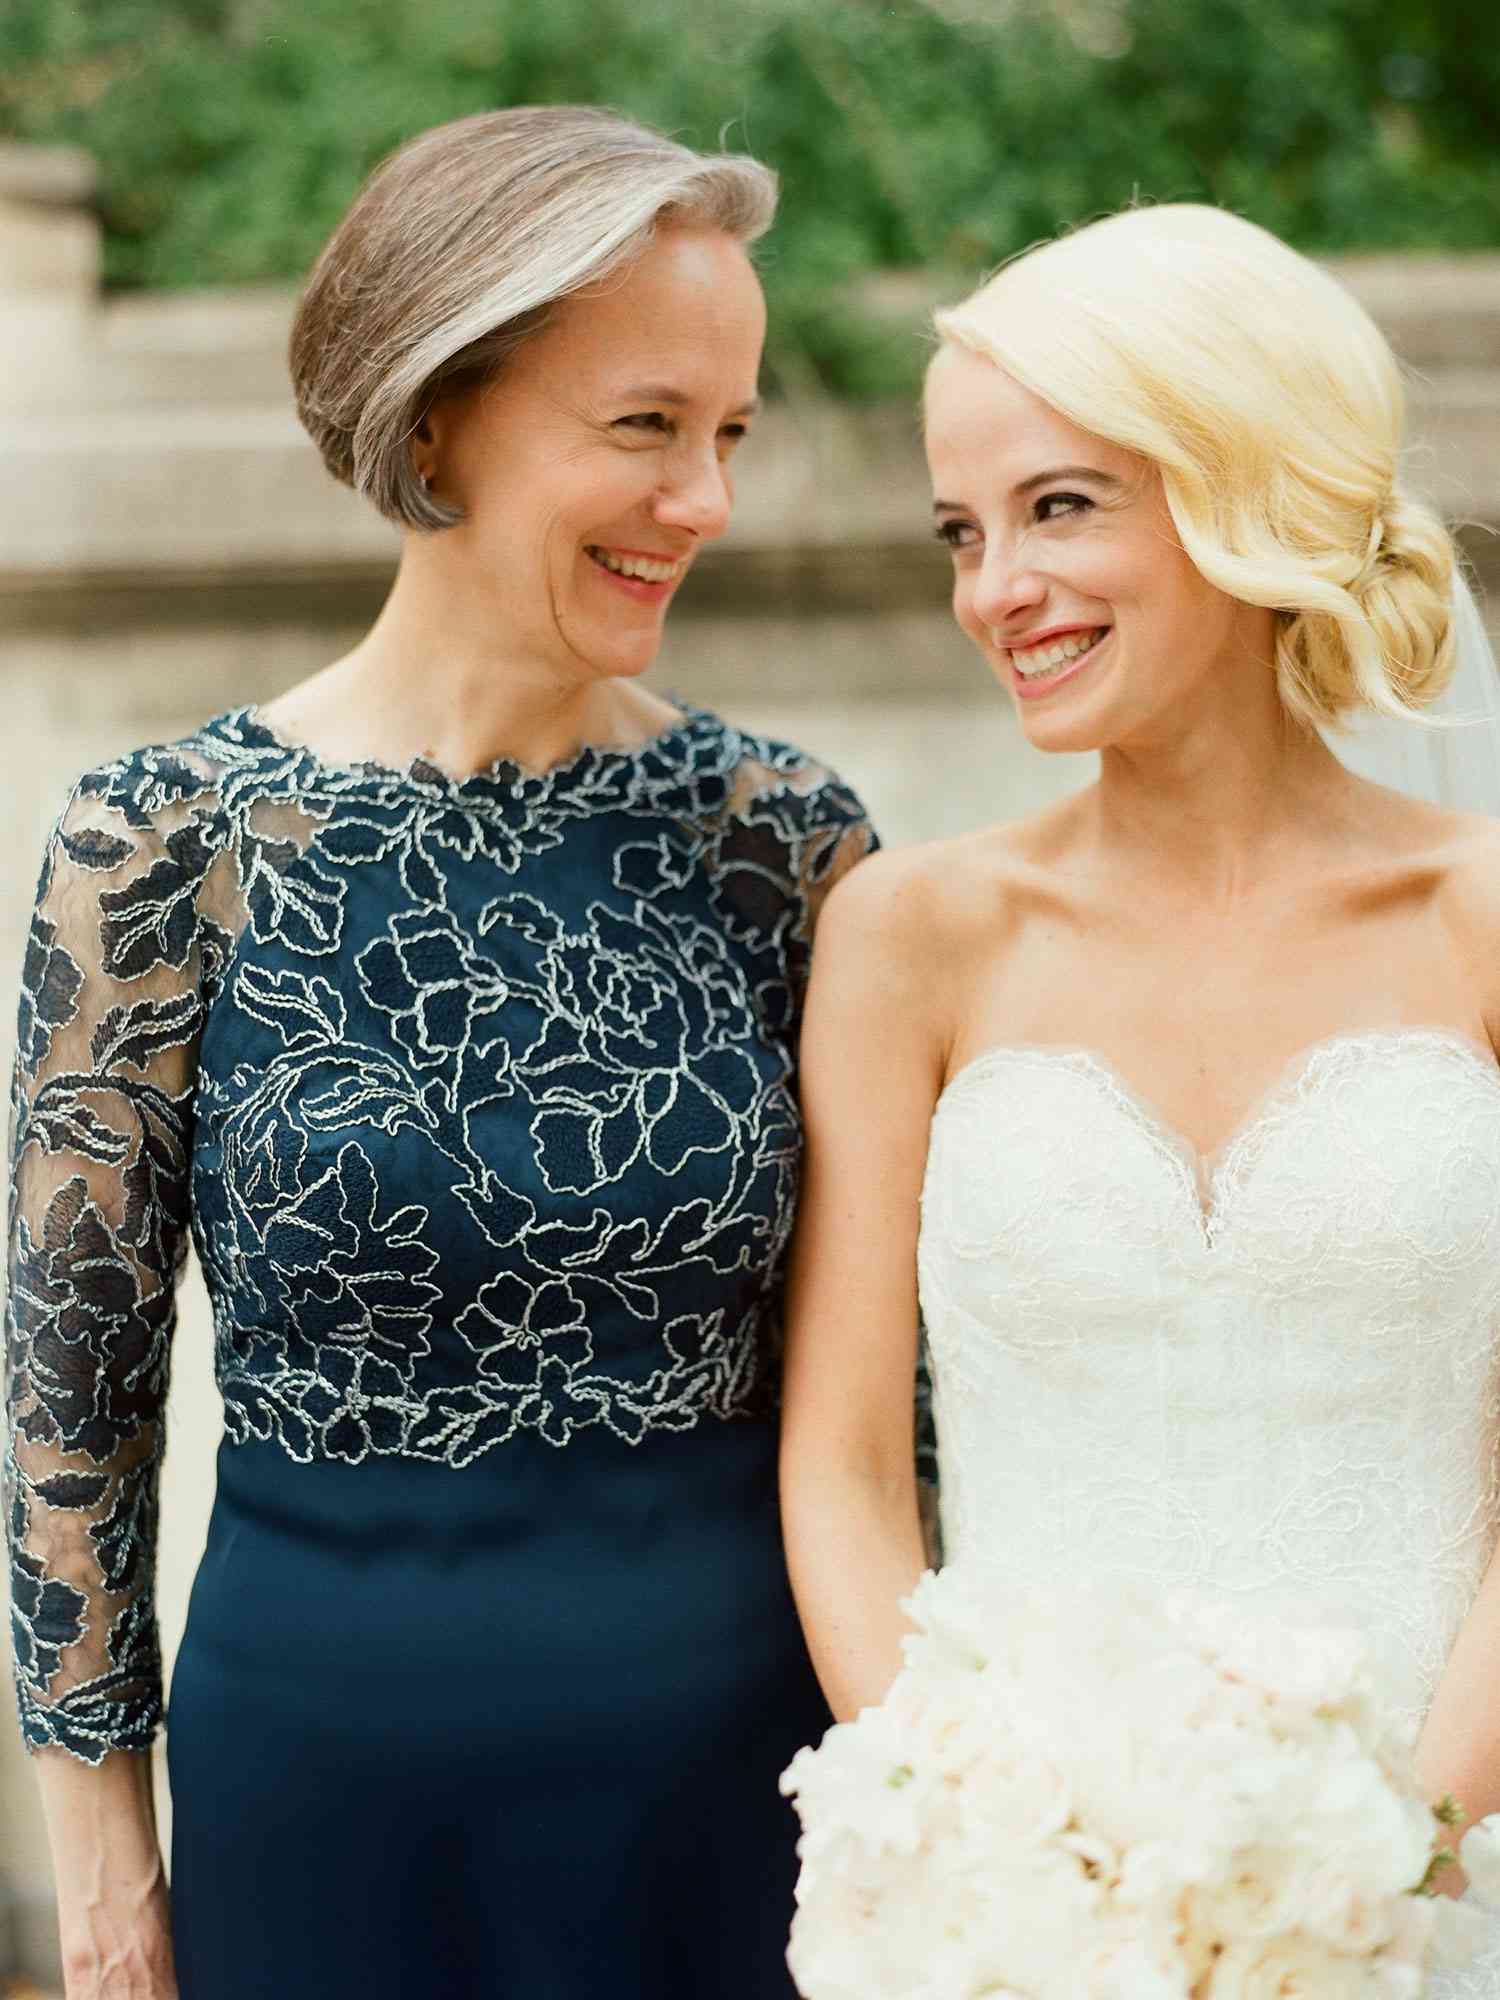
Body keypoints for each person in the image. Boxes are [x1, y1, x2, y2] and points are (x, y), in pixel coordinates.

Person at [5, 105, 877, 1999]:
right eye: (645, 425)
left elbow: (891, 1397)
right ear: (432, 425)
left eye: (729, 434)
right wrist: (104, 1866)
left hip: (742, 1794)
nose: (706, 500)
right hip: (318, 1799)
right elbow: (73, 1399)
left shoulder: (787, 843)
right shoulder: (161, 845)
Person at [779, 203, 1500, 1992]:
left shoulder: (1481, 917)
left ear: (1241, 488)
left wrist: (1382, 1875)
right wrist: (976, 1850)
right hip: (1024, 1916)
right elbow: (846, 1468)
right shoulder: (910, 936)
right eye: (963, 532)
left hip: (1441, 1883)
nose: (994, 590)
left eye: (1061, 507)